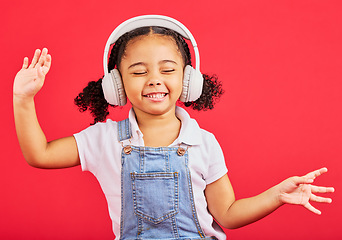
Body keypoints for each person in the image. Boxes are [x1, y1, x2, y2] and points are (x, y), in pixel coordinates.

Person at [13, 15, 334, 240]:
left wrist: (276, 195)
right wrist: (23, 99)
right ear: (116, 84)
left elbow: (229, 214)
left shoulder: (203, 143)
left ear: (188, 79)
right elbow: (39, 154)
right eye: (138, 71)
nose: (154, 79)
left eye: (167, 69)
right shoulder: (103, 139)